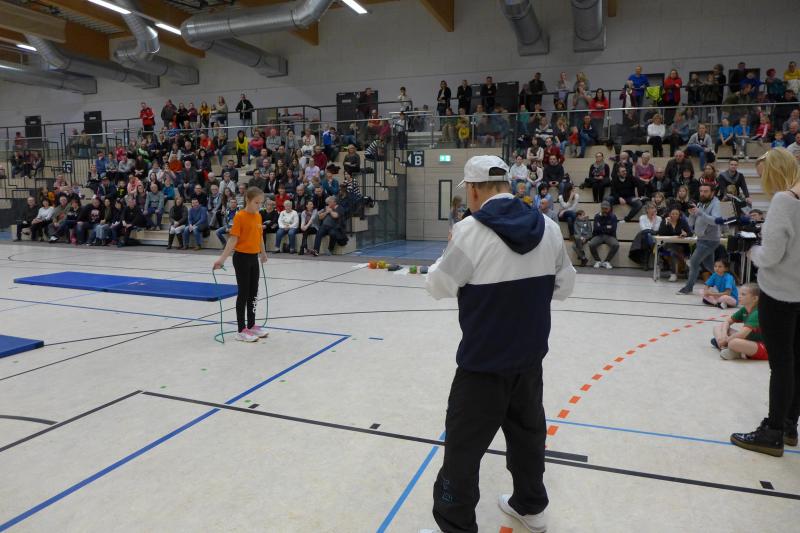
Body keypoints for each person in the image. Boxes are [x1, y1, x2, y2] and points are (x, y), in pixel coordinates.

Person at [421, 155, 575, 533]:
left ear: (474, 190)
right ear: (506, 185)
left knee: (463, 448)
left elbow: (438, 286)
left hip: (483, 366)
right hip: (529, 361)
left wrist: (445, 256)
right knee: (527, 437)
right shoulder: (548, 227)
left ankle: (456, 527)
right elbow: (564, 287)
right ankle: (531, 506)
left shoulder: (469, 231)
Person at [731, 148, 800, 457]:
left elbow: (770, 256)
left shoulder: (784, 200)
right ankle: (788, 426)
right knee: (796, 361)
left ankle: (772, 432)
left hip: (780, 294)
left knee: (782, 363)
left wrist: (750, 249)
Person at [213, 187, 269, 343]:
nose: (259, 206)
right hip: (241, 258)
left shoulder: (258, 216)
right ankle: (241, 330)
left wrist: (263, 253)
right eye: (256, 202)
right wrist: (222, 259)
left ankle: (251, 325)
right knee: (243, 293)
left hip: (253, 258)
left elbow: (259, 236)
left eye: (261, 203)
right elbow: (233, 239)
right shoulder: (240, 216)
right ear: (247, 200)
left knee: (254, 293)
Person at [677, 184, 721, 295]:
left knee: (694, 262)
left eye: (706, 191)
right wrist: (692, 214)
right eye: (701, 191)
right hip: (701, 239)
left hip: (710, 240)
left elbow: (715, 221)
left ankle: (688, 287)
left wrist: (700, 213)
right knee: (710, 266)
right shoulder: (701, 203)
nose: (702, 193)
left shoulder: (716, 204)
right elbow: (691, 223)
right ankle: (725, 284)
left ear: (712, 192)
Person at [712, 284, 768, 361]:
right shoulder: (745, 309)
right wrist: (724, 336)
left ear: (755, 298)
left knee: (733, 342)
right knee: (717, 328)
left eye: (743, 294)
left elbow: (742, 334)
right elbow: (727, 321)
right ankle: (730, 349)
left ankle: (731, 349)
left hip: (765, 347)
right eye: (739, 294)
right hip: (751, 340)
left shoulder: (757, 312)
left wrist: (725, 340)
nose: (739, 296)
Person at [589, 200, 619, 269]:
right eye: (603, 208)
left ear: (609, 208)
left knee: (616, 245)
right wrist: (607, 227)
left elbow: (613, 229)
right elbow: (596, 228)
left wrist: (601, 227)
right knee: (591, 244)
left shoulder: (613, 217)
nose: (604, 210)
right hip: (599, 235)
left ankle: (607, 261)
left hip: (610, 236)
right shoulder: (597, 216)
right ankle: (597, 260)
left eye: (606, 208)